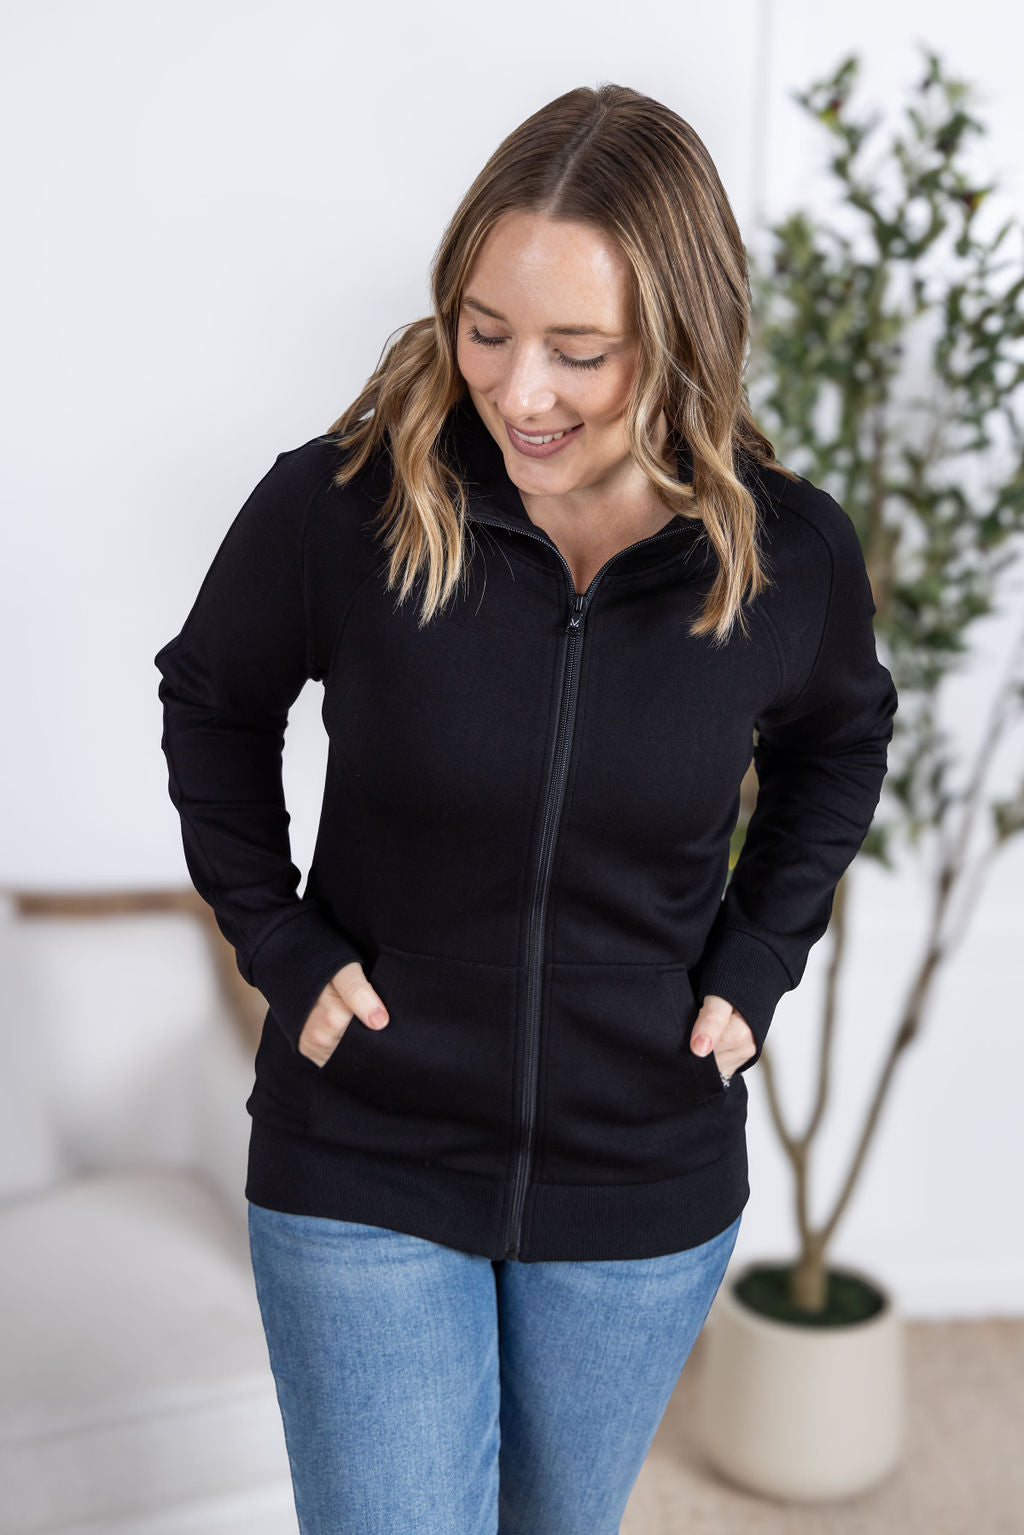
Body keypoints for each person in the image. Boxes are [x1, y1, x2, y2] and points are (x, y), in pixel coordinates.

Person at [154, 82, 898, 1535]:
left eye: (581, 352)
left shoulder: (783, 556)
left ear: (683, 338)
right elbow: (212, 702)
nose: (520, 392)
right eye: (485, 330)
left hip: (641, 1169)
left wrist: (757, 961)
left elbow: (842, 744)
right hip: (362, 1146)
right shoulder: (342, 509)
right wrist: (280, 944)